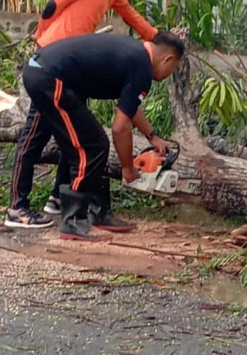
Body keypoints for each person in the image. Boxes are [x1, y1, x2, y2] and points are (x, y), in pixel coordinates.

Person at [5, 0, 160, 230]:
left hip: (74, 69)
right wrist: (44, 39)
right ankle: (17, 208)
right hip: (53, 65)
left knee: (73, 136)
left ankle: (58, 197)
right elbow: (55, 3)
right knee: (34, 137)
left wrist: (162, 40)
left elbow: (134, 18)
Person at [22, 30, 184, 240]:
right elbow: (119, 128)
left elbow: (130, 106)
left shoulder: (135, 54)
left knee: (91, 143)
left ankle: (98, 212)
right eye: (174, 67)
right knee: (92, 146)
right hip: (50, 78)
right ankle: (73, 221)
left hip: (43, 72)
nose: (171, 71)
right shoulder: (141, 67)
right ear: (168, 59)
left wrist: (152, 136)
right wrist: (128, 168)